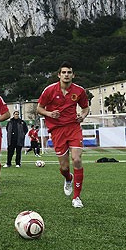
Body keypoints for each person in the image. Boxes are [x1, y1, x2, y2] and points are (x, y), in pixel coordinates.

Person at [37, 63, 90, 208]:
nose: (66, 75)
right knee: (64, 167)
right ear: (59, 75)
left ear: (73, 75)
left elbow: (85, 108)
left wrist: (83, 116)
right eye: (64, 72)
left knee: (77, 159)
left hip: (73, 128)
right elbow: (39, 108)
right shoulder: (49, 90)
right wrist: (49, 113)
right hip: (57, 130)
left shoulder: (79, 91)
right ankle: (68, 178)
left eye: (69, 72)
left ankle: (77, 197)